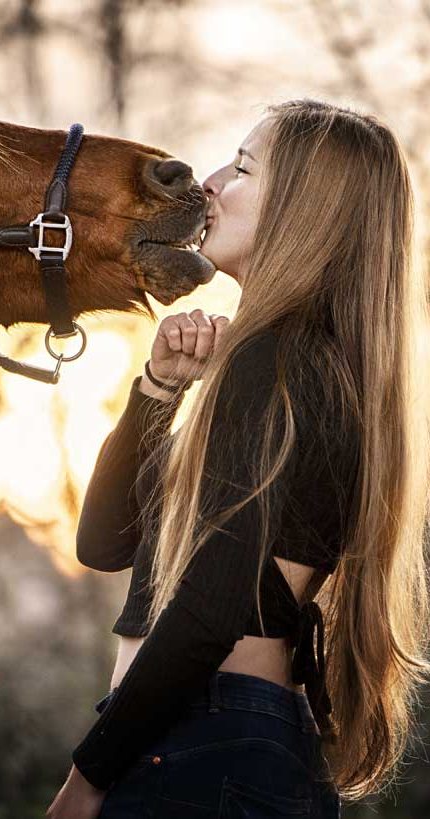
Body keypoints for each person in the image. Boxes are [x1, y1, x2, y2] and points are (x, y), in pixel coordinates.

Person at [46, 99, 430, 818]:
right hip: (224, 742)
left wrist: (88, 777)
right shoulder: (298, 369)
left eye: (244, 166)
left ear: (305, 209)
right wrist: (158, 392)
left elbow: (211, 602)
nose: (213, 182)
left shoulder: (278, 364)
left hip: (200, 742)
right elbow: (104, 543)